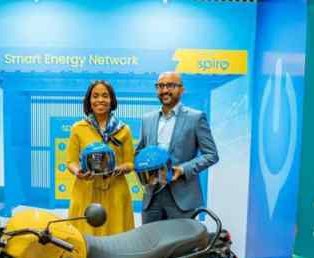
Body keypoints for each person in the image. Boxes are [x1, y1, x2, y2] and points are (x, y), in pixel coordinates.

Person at [137, 71, 219, 223]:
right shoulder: (147, 119)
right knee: (151, 244)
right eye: (160, 86)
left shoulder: (196, 117)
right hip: (152, 197)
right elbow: (139, 152)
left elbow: (211, 154)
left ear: (182, 90)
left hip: (182, 198)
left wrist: (182, 169)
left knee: (182, 245)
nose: (165, 90)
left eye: (171, 85)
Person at [66, 80, 135, 236]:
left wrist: (118, 169)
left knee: (116, 237)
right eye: (95, 96)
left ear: (112, 100)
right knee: (85, 238)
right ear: (89, 101)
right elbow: (71, 161)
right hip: (86, 190)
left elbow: (130, 163)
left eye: (105, 96)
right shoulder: (78, 128)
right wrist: (78, 172)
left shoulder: (124, 129)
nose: (100, 100)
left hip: (115, 191)